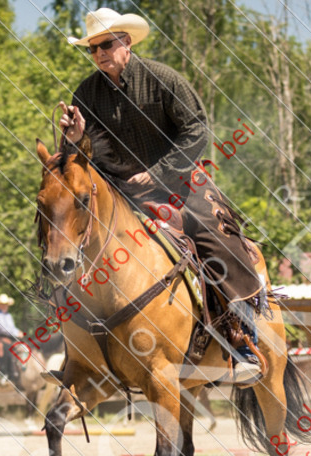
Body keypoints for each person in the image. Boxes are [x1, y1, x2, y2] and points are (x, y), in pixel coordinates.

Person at [58, 8, 264, 384]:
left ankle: (240, 340)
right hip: (121, 193)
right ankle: (78, 354)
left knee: (216, 238)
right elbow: (79, 159)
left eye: (106, 44)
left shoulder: (162, 78)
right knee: (72, 241)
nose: (100, 53)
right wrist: (72, 140)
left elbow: (197, 130)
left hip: (179, 184)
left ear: (126, 43)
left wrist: (158, 172)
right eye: (93, 48)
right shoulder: (86, 92)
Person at [0, 294, 22, 379]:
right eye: (3, 304)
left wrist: (18, 332)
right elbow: (2, 329)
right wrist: (16, 333)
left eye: (6, 304)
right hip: (0, 339)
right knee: (7, 351)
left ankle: (18, 371)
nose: (5, 306)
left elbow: (12, 327)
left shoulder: (8, 315)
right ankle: (4, 374)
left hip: (10, 338)